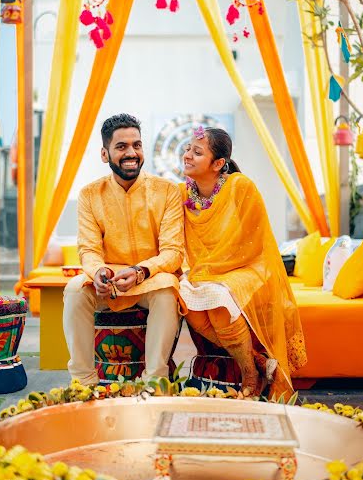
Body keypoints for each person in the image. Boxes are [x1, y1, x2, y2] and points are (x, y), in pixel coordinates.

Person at [179, 126, 307, 398]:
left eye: (197, 152)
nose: (187, 155)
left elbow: (254, 242)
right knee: (182, 298)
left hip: (249, 267)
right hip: (208, 271)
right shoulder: (183, 193)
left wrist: (211, 269)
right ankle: (259, 362)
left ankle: (249, 372)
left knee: (217, 300)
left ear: (218, 164)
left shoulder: (240, 186)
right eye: (188, 148)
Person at [63, 114, 184, 386]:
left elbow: (173, 251)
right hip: (110, 280)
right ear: (105, 154)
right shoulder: (90, 194)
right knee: (74, 290)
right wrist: (98, 272)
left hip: (150, 276)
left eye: (137, 145)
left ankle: (155, 382)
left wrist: (141, 271)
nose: (131, 153)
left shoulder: (167, 191)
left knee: (167, 290)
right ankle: (83, 382)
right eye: (121, 147)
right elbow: (89, 249)